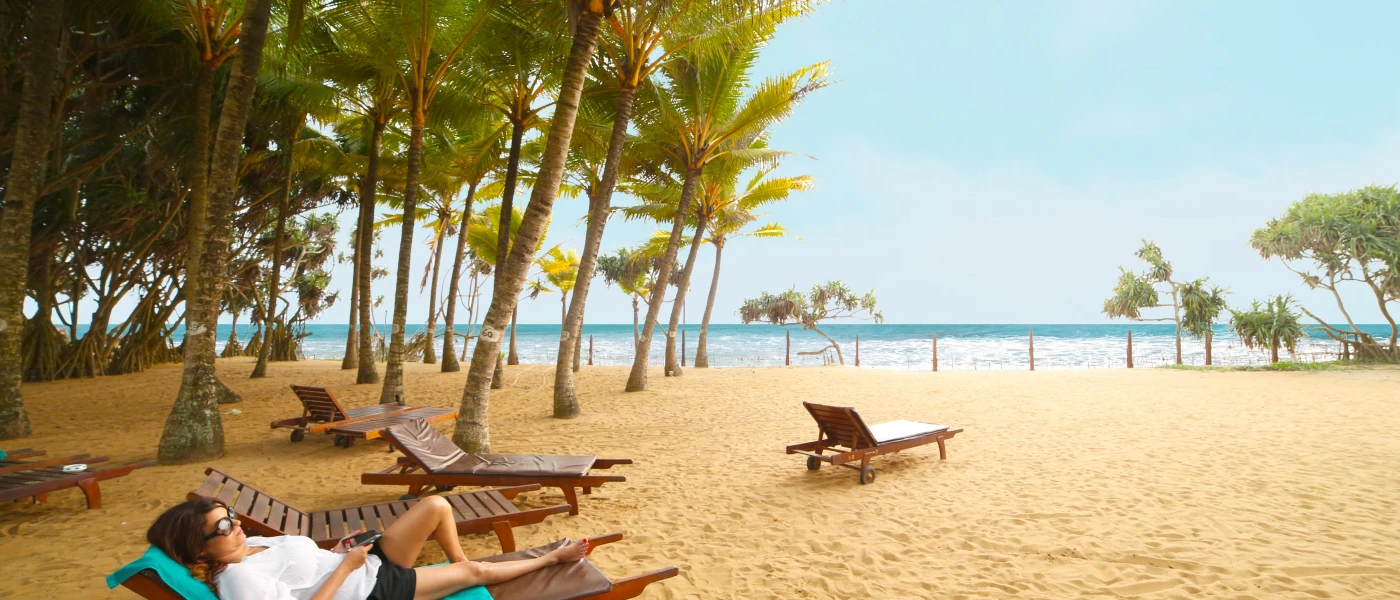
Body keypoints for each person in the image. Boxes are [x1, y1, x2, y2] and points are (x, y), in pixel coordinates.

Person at [146, 495, 588, 600]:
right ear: (199, 550)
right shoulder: (240, 579)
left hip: (361, 563)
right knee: (477, 575)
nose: (237, 524)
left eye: (231, 514)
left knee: (436, 505)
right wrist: (345, 569)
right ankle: (553, 558)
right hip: (370, 589)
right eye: (224, 525)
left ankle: (458, 563)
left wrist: (339, 554)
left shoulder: (250, 543)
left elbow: (303, 566)